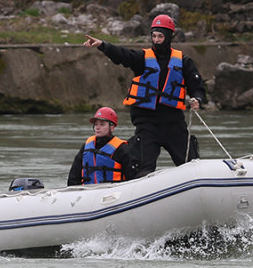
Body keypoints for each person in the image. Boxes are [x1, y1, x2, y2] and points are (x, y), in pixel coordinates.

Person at [83, 14, 206, 176]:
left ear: (169, 37)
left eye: (160, 36)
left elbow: (196, 86)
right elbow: (123, 55)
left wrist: (197, 99)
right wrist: (103, 45)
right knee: (142, 170)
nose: (156, 40)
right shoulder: (142, 58)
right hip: (147, 125)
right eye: (154, 36)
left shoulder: (183, 61)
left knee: (192, 165)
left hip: (173, 124)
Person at [67, 107, 136, 186]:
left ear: (112, 127)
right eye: (96, 124)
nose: (97, 127)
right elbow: (74, 175)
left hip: (113, 192)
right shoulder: (87, 146)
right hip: (87, 192)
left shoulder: (121, 148)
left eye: (102, 124)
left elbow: (132, 177)